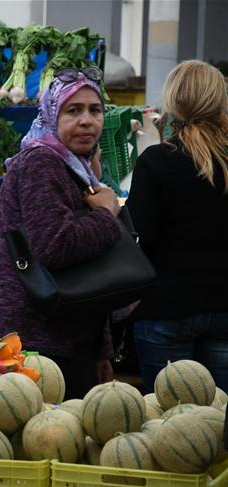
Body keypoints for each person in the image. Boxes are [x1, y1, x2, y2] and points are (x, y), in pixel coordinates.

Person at [0, 68, 123, 399]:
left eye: (95, 110)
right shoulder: (41, 162)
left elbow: (91, 269)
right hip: (35, 345)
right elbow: (54, 245)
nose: (87, 121)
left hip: (68, 339)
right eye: (73, 110)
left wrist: (101, 347)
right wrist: (105, 213)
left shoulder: (74, 165)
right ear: (51, 115)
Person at [126, 60, 228, 393]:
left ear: (172, 101)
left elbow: (140, 237)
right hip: (224, 309)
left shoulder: (155, 161)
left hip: (166, 309)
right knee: (219, 419)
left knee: (169, 419)